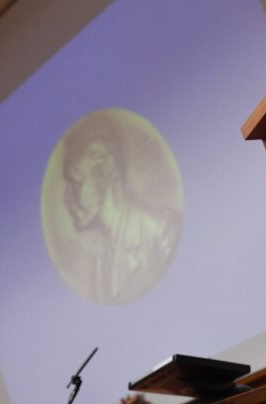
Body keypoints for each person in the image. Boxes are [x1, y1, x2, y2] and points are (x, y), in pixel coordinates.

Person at [61, 114, 180, 305]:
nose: (66, 198)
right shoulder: (93, 253)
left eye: (75, 183)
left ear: (108, 176)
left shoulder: (162, 233)